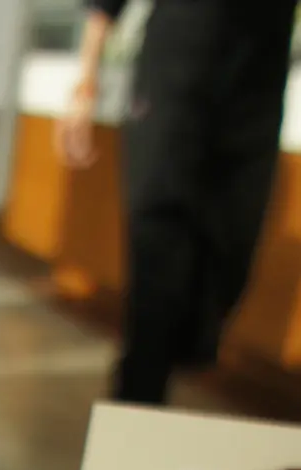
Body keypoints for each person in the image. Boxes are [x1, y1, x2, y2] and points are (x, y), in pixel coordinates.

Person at [57, 0, 297, 406]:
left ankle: (163, 361)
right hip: (174, 78)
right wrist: (85, 86)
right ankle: (137, 399)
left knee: (230, 257)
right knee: (158, 259)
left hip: (257, 87)